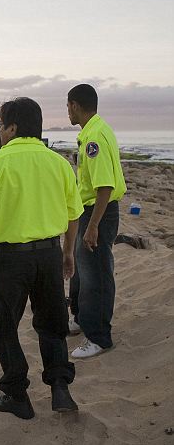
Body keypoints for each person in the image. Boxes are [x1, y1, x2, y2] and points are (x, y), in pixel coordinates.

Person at [0, 97, 83, 419]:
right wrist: (68, 252)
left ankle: (16, 394)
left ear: (12, 127)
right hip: (49, 255)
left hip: (10, 260)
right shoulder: (60, 164)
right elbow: (73, 216)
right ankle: (60, 387)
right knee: (53, 323)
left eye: (0, 126)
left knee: (2, 325)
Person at [66, 84, 126, 358]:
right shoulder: (93, 130)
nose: (67, 111)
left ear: (75, 105)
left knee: (97, 275)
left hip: (98, 212)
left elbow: (105, 186)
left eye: (68, 106)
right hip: (87, 210)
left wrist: (92, 226)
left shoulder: (95, 138)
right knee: (81, 270)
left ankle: (99, 337)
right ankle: (79, 318)